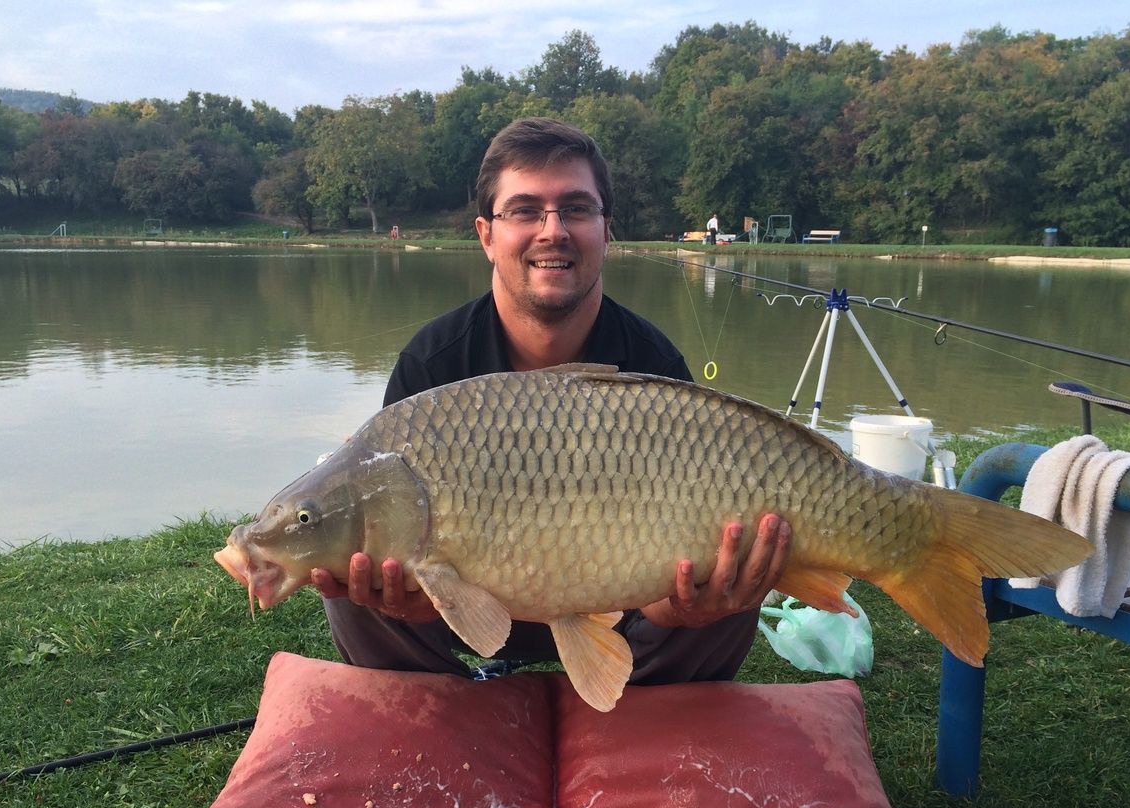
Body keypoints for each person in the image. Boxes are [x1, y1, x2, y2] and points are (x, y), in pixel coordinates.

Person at [311, 117, 791, 685]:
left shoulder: (653, 364)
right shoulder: (433, 364)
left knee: (732, 589)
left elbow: (674, 590)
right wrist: (410, 598)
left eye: (577, 209)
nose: (553, 230)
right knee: (355, 575)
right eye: (525, 211)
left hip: (624, 611)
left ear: (606, 230)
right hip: (465, 604)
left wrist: (685, 607)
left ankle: (636, 728)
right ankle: (443, 714)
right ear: (487, 234)